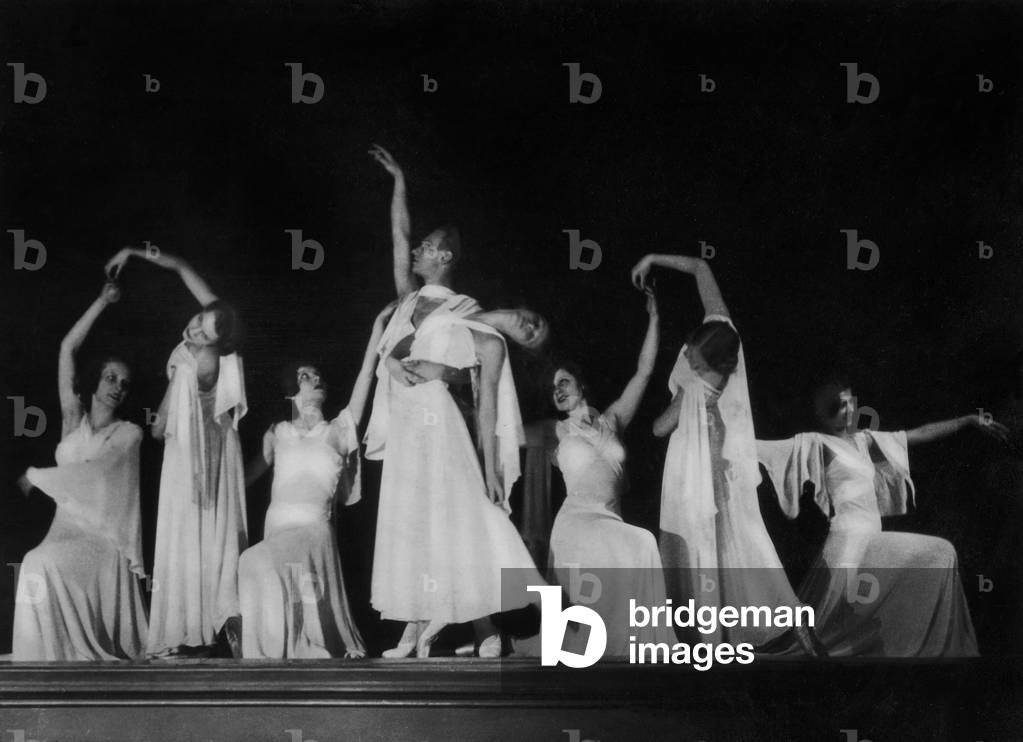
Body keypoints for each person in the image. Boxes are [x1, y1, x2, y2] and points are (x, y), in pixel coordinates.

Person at [366, 144, 547, 657]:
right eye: (420, 246)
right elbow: (398, 238)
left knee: (456, 516)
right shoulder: (408, 299)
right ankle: (415, 622)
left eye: (428, 247)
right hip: (405, 422)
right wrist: (399, 181)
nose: (417, 252)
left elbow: (485, 400)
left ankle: (485, 627)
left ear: (445, 257)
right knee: (410, 522)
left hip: (437, 420)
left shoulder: (467, 312)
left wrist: (491, 467)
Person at [631, 253, 818, 653]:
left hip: (694, 468)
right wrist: (654, 259)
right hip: (729, 468)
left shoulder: (698, 384)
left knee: (701, 548)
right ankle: (796, 629)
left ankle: (708, 641)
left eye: (693, 356)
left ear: (705, 362)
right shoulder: (724, 332)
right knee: (748, 544)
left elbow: (659, 427)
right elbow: (701, 267)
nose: (688, 354)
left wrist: (675, 402)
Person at [756, 377, 1007, 656]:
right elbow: (763, 449)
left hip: (872, 540)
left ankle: (922, 648)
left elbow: (921, 433)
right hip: (849, 540)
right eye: (838, 407)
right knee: (828, 623)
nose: (848, 411)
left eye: (850, 403)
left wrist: (968, 420)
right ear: (822, 414)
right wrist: (722, 431)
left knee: (937, 557)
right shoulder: (817, 442)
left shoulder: (865, 440)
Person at [105, 247, 247, 657]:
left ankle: (190, 628)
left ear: (218, 342)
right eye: (198, 320)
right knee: (201, 536)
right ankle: (204, 624)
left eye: (204, 333)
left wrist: (166, 408)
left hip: (195, 453)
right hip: (205, 445)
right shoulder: (215, 322)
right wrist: (133, 251)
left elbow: (159, 427)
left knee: (188, 532)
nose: (195, 330)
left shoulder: (198, 362)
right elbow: (184, 266)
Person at [524, 288, 677, 656]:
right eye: (552, 388)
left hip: (610, 518)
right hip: (576, 523)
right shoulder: (555, 430)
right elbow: (506, 430)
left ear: (580, 384)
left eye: (563, 382)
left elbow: (644, 372)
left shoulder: (612, 420)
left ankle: (624, 646)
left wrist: (655, 318)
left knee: (634, 547)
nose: (558, 390)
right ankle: (642, 644)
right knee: (643, 542)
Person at [238, 304, 395, 659]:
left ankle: (287, 648)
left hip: (313, 531)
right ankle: (268, 654)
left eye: (317, 375)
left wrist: (377, 327)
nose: (316, 379)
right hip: (277, 528)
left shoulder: (339, 429)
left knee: (252, 560)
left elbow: (366, 376)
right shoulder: (278, 432)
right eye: (306, 376)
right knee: (259, 569)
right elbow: (244, 479)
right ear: (291, 390)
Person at [13, 281, 148, 660]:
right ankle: (39, 657)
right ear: (96, 380)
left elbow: (95, 471)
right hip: (63, 528)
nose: (117, 387)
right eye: (111, 377)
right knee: (33, 562)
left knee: (40, 561)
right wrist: (101, 301)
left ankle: (67, 656)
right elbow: (67, 348)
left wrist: (38, 476)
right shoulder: (73, 420)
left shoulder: (129, 433)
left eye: (125, 384)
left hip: (101, 539)